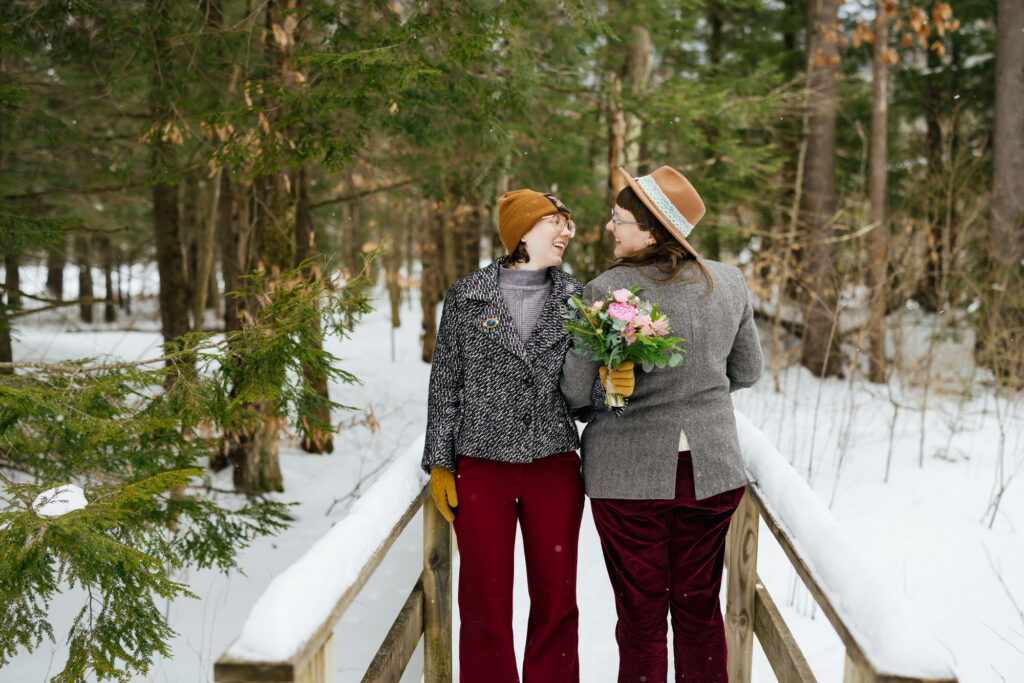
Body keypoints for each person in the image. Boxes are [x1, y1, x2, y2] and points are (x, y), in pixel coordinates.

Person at [560, 166, 764, 682]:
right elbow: (747, 370)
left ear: (653, 231)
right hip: (711, 473)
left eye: (619, 219)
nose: (610, 227)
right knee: (699, 610)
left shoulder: (605, 290)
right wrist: (695, 396)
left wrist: (611, 395)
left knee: (641, 618)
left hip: (628, 480)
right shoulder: (729, 281)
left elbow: (572, 391)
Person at [422, 188, 585, 682]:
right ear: (522, 232)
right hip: (482, 468)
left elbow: (585, 392)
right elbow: (445, 382)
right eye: (555, 222)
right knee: (484, 598)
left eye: (568, 223)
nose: (566, 232)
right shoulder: (468, 296)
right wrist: (440, 462)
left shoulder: (578, 299)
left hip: (553, 466)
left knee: (556, 596)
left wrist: (611, 384)